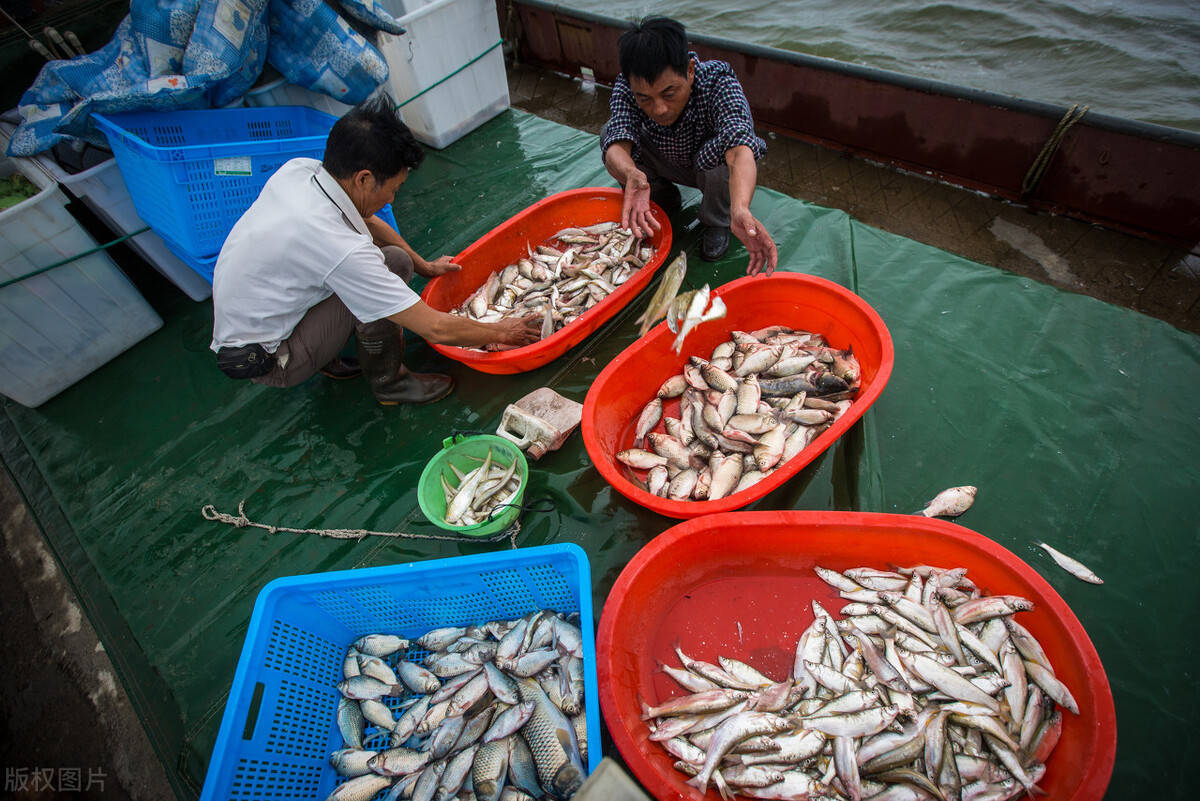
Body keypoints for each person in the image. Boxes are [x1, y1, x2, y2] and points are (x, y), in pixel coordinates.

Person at [210, 97, 539, 405]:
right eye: (393, 189)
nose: (392, 200)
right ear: (364, 179)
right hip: (269, 360)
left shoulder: (303, 172)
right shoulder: (338, 247)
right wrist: (504, 330)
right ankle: (391, 383)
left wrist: (423, 265)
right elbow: (434, 328)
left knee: (396, 259)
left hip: (254, 324)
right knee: (390, 270)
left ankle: (326, 352)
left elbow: (366, 222)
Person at [600, 16, 778, 276]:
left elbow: (740, 150)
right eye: (645, 99)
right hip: (662, 157)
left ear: (690, 70)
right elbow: (617, 139)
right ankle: (661, 194)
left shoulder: (718, 82)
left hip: (707, 165)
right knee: (610, 136)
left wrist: (740, 208)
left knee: (724, 158)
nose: (659, 109)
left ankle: (718, 220)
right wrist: (632, 175)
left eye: (669, 93)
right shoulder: (628, 86)